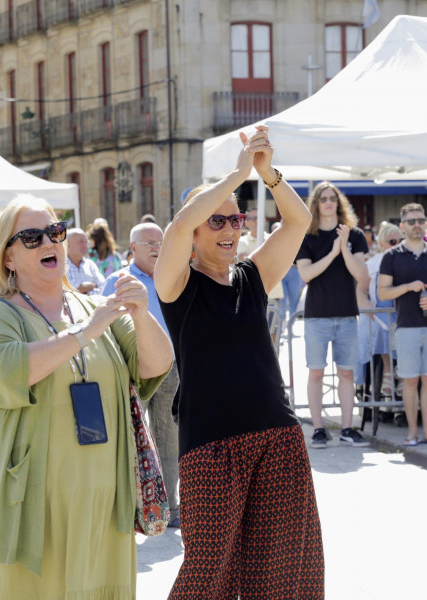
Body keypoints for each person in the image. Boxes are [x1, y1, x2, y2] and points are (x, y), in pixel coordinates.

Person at [0, 194, 172, 598]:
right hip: (36, 505)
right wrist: (83, 333)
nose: (49, 242)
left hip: (106, 500)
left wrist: (140, 313)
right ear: (7, 257)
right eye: (31, 237)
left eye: (54, 231)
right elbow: (11, 369)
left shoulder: (95, 306)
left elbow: (157, 364)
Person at [155, 125, 324, 598]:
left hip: (277, 433)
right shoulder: (178, 286)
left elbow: (297, 221)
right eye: (219, 221)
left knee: (286, 568)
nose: (232, 229)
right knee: (207, 571)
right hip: (210, 445)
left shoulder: (252, 276)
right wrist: (237, 174)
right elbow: (178, 226)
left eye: (237, 220)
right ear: (197, 232)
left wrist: (268, 175)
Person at [101, 222, 182, 527]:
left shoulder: (171, 277)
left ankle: (171, 508)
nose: (156, 247)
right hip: (130, 367)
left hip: (170, 367)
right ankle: (129, 508)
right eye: (148, 242)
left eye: (159, 241)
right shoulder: (117, 281)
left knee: (168, 438)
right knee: (130, 438)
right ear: (132, 248)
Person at [296, 182, 371, 449]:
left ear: (339, 203)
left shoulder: (355, 235)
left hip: (347, 316)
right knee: (315, 373)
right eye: (323, 198)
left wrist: (345, 247)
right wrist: (332, 252)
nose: (329, 202)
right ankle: (318, 429)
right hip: (317, 317)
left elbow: (362, 275)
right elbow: (306, 275)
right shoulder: (307, 237)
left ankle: (347, 428)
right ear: (315, 204)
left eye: (333, 198)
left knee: (347, 374)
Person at [379, 203, 427, 446]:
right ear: (402, 226)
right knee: (409, 381)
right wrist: (407, 287)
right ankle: (411, 433)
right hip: (406, 326)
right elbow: (383, 292)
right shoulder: (391, 256)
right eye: (411, 221)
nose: (417, 224)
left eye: (421, 220)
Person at [355, 222, 403, 397]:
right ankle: (389, 371)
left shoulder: (410, 261)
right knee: (382, 327)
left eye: (401, 240)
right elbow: (361, 290)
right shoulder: (373, 264)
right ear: (382, 244)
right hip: (379, 313)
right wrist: (366, 305)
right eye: (392, 241)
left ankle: (402, 372)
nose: (397, 244)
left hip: (404, 313)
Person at [65, 227, 105, 295]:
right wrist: (93, 285)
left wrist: (83, 291)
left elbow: (103, 287)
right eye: (80, 242)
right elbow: (67, 290)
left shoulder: (90, 265)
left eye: (86, 242)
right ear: (67, 244)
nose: (85, 245)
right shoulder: (61, 266)